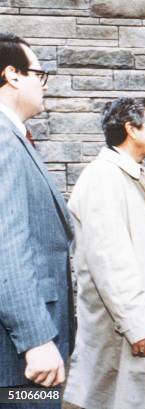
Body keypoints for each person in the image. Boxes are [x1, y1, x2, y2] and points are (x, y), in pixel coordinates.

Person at [63, 98, 145, 409]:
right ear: (131, 129)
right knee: (125, 398)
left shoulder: (142, 173)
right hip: (128, 324)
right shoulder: (102, 178)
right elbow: (109, 261)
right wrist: (137, 326)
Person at [0, 33, 75, 405]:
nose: (43, 85)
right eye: (39, 75)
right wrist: (34, 338)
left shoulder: (15, 136)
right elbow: (5, 245)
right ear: (12, 75)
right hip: (21, 359)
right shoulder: (2, 138)